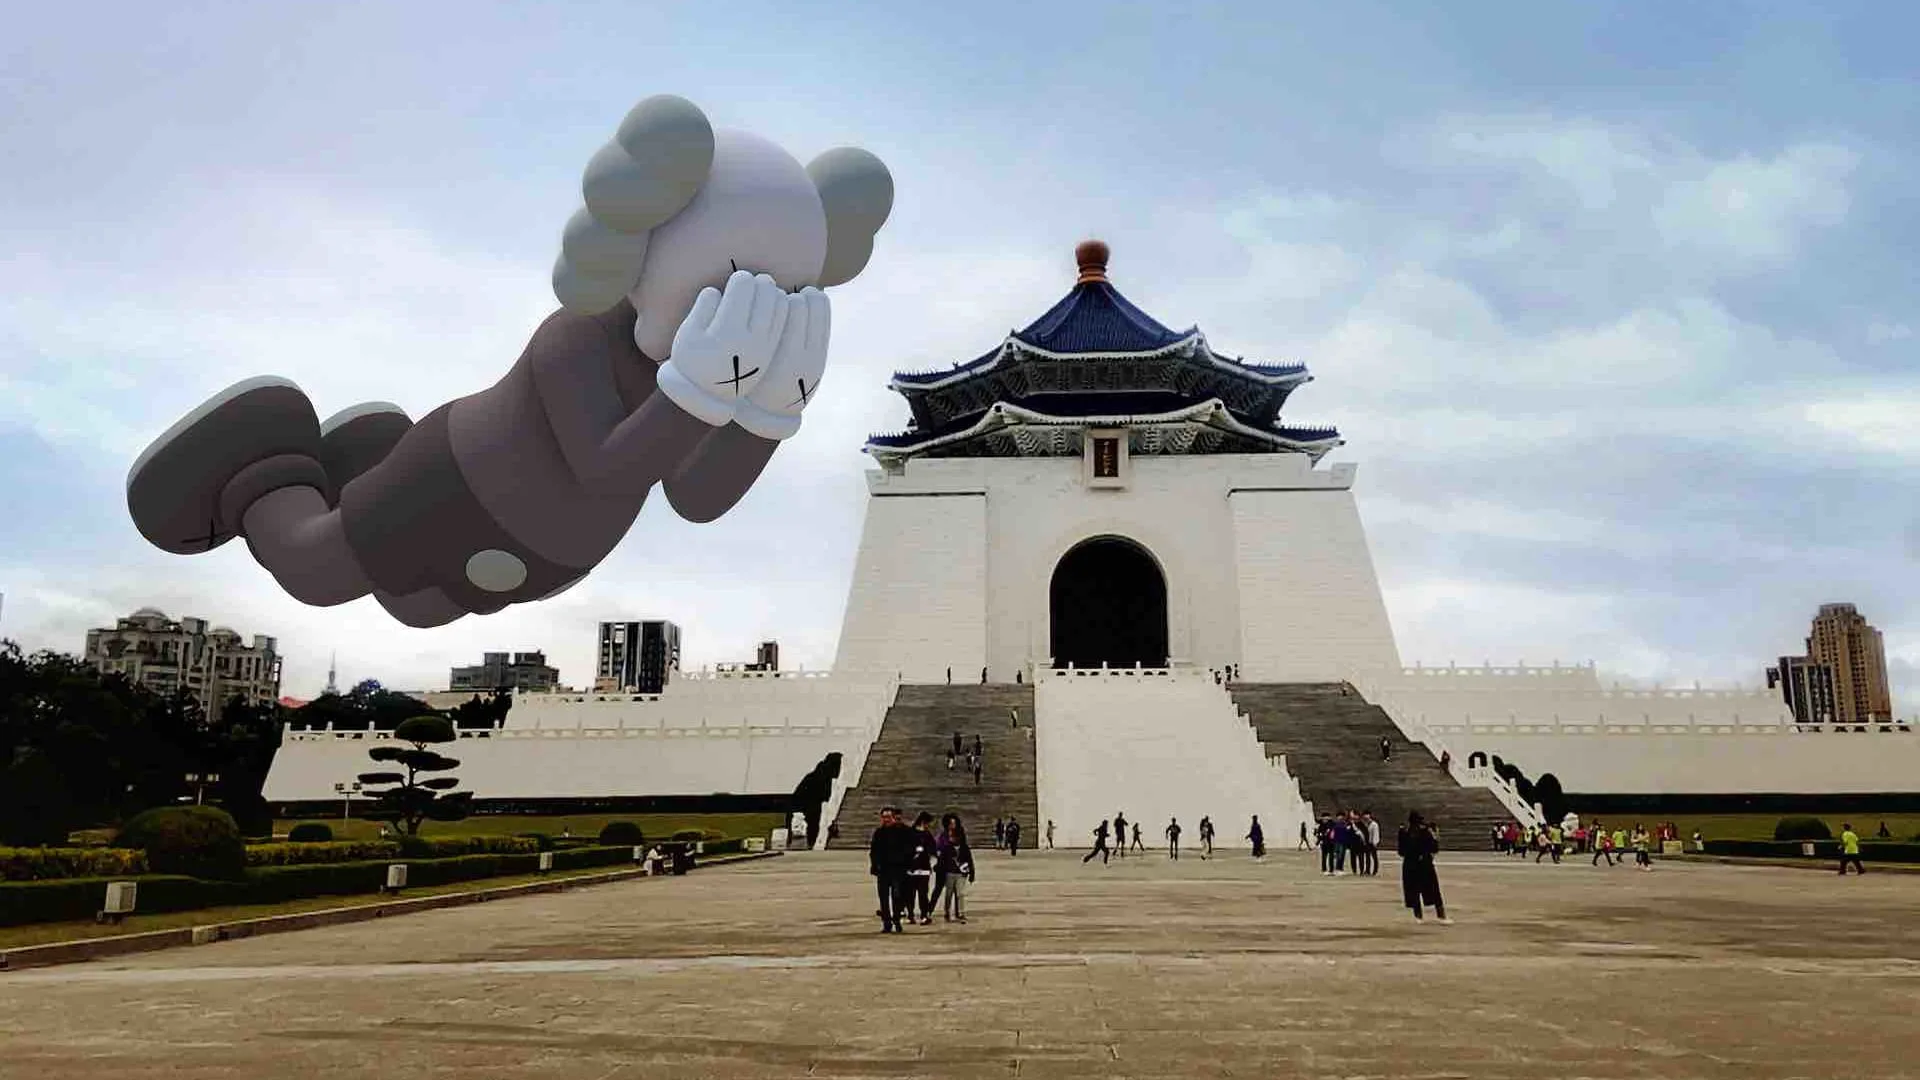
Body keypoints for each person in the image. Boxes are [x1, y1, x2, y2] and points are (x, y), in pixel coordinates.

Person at [868, 806, 918, 933]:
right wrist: (874, 865)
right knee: (883, 897)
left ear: (894, 818)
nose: (886, 820)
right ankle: (886, 923)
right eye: (884, 817)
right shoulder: (879, 833)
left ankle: (896, 920)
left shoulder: (905, 831)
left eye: (888, 817)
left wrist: (906, 862)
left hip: (898, 870)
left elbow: (912, 848)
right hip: (883, 870)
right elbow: (874, 851)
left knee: (897, 896)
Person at [1396, 811, 1448, 923]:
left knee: (1414, 891)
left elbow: (1401, 851)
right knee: (1433, 891)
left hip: (1411, 865)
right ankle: (1441, 915)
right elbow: (1434, 848)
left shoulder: (1405, 833)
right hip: (1425, 864)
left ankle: (1418, 916)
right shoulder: (1425, 832)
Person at [940, 816, 975, 922]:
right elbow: (942, 862)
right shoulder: (947, 848)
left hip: (960, 873)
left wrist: (972, 873)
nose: (952, 838)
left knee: (960, 893)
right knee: (949, 894)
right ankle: (947, 911)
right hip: (949, 873)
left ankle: (960, 912)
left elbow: (969, 860)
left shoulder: (964, 848)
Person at [908, 812, 938, 924]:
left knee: (923, 893)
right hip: (912, 868)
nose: (928, 826)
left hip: (924, 868)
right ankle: (910, 914)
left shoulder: (927, 835)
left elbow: (933, 849)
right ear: (923, 822)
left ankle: (924, 914)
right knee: (910, 893)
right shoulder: (910, 833)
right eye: (928, 823)